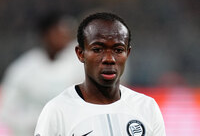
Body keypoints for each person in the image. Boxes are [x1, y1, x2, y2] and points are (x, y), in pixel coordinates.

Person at [34, 12, 166, 136]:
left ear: (127, 54)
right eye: (97, 49)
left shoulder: (147, 107)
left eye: (118, 50)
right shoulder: (57, 111)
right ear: (80, 54)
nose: (109, 59)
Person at [0, 12, 84, 136]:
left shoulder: (79, 64)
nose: (63, 36)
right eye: (58, 32)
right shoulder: (25, 67)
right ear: (46, 34)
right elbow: (7, 107)